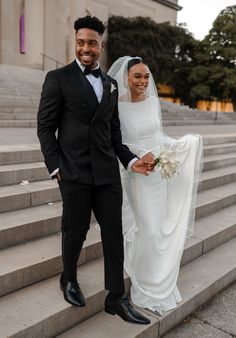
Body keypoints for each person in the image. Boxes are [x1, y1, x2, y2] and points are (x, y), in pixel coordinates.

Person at [37, 17, 151, 325]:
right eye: (81, 42)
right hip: (73, 172)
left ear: (101, 46)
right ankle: (69, 278)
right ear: (75, 43)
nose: (86, 48)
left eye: (92, 43)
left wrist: (130, 161)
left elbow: (113, 134)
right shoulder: (57, 78)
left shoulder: (111, 85)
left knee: (114, 234)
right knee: (76, 231)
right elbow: (46, 128)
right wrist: (55, 166)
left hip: (106, 175)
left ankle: (116, 297)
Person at [108, 56, 203, 315]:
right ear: (126, 77)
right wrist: (139, 157)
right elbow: (119, 141)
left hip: (157, 172)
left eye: (146, 76)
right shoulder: (116, 105)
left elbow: (157, 135)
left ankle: (156, 279)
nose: (143, 81)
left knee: (158, 228)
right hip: (136, 174)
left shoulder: (152, 103)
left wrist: (179, 145)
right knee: (147, 227)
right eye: (137, 76)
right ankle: (145, 280)